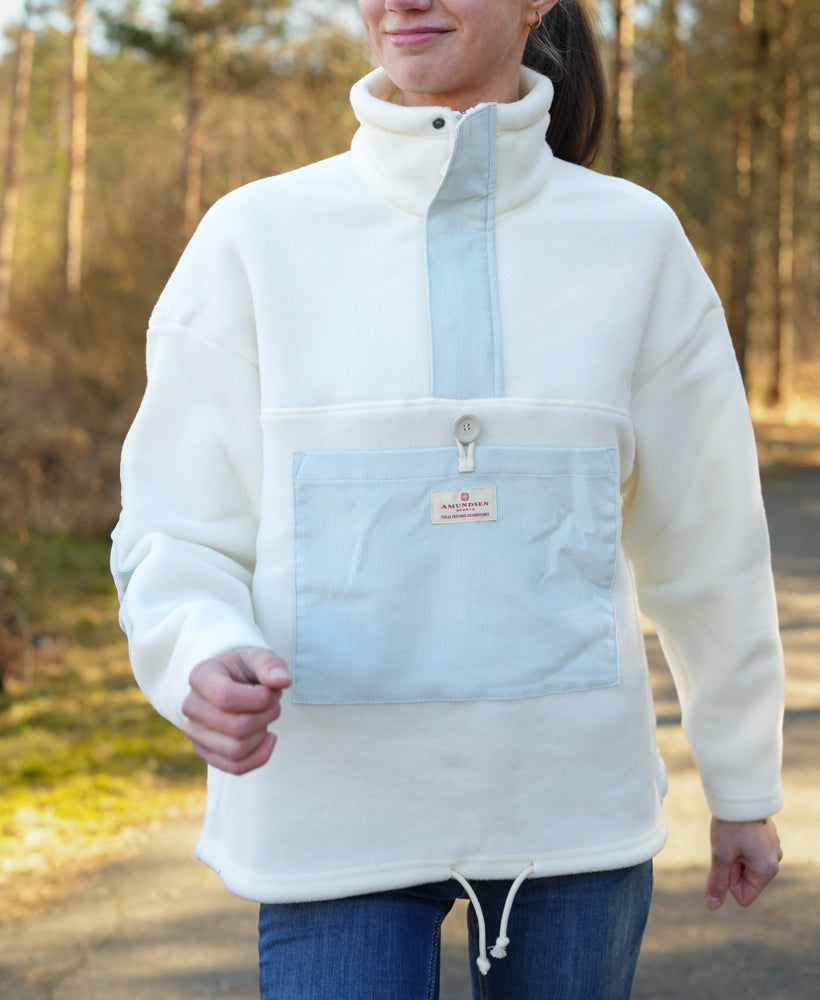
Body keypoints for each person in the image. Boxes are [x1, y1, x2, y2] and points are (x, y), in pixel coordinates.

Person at [111, 1, 785, 997]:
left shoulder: (634, 242)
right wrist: (198, 652)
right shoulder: (253, 238)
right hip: (328, 819)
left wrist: (741, 779)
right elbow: (176, 527)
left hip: (571, 821)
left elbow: (708, 540)